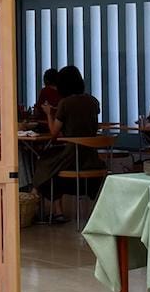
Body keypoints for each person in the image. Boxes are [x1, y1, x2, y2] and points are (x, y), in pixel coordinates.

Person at [29, 65, 102, 224]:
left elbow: (54, 133)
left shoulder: (65, 103)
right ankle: (56, 211)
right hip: (91, 157)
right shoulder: (92, 101)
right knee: (51, 168)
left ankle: (34, 200)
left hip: (71, 154)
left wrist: (49, 113)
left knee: (44, 162)